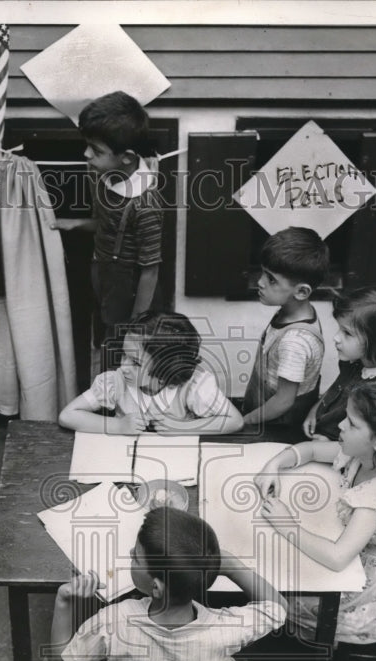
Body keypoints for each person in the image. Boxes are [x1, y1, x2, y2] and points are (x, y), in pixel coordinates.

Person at [50, 507, 287, 661]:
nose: (131, 552)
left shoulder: (112, 622)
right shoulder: (228, 628)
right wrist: (234, 567)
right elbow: (279, 608)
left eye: (137, 558)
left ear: (156, 587)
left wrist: (63, 600)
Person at [256, 380, 376, 644]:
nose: (341, 425)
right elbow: (312, 449)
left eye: (352, 424)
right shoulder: (365, 455)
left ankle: (321, 639)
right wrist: (274, 464)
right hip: (361, 549)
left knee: (279, 594)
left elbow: (337, 557)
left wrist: (286, 524)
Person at [51, 91, 162, 369]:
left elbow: (150, 270)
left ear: (126, 158)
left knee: (121, 346)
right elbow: (108, 224)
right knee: (102, 332)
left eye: (96, 150)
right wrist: (77, 224)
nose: (86, 155)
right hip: (101, 271)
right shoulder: (102, 176)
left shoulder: (145, 205)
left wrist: (138, 325)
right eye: (88, 145)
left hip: (128, 287)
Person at [58, 311, 243, 435]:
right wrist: (118, 426)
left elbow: (235, 421)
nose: (123, 366)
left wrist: (183, 427)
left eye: (136, 362)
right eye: (124, 355)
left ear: (166, 368)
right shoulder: (116, 382)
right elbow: (67, 416)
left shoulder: (194, 387)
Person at [241, 227, 329, 441]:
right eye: (263, 272)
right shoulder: (294, 312)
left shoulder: (295, 342)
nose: (260, 282)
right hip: (265, 409)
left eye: (271, 279)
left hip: (277, 426)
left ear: (301, 292)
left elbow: (283, 401)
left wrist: (247, 421)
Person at [302, 287, 376, 442]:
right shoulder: (356, 361)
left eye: (347, 333)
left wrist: (326, 445)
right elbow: (337, 387)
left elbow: (367, 442)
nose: (336, 337)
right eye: (339, 329)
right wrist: (316, 410)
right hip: (321, 432)